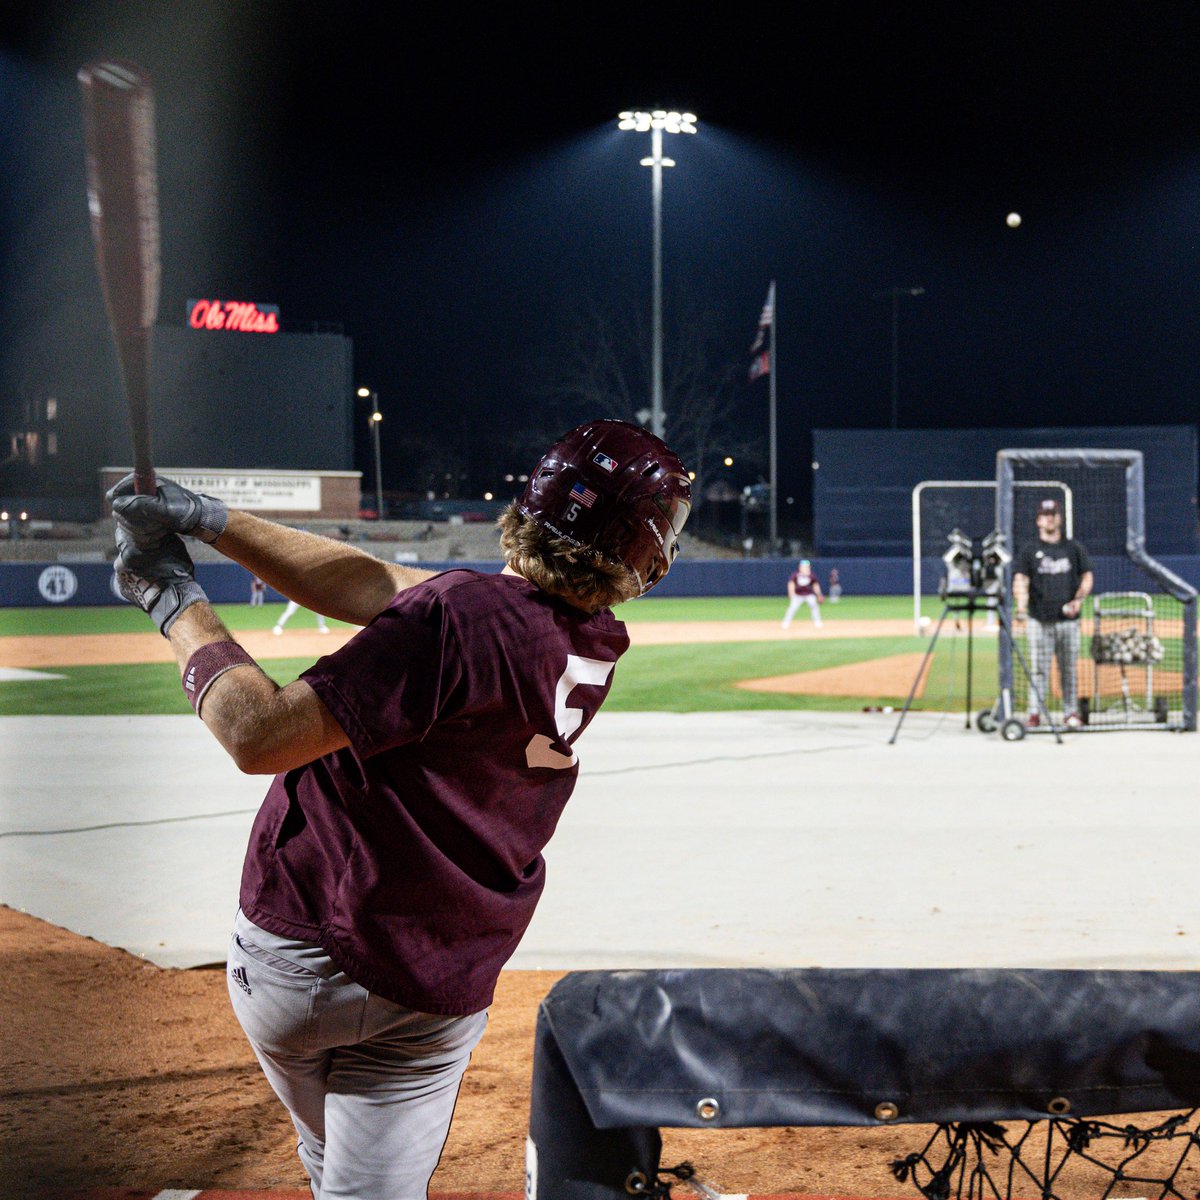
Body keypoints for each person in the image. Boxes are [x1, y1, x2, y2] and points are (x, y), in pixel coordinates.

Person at [106, 418, 691, 1200]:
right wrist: (210, 519)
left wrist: (171, 599)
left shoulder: (457, 616)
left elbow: (257, 734)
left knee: (327, 1154)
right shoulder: (591, 638)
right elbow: (389, 586)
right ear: (637, 550)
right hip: (435, 976)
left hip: (300, 952)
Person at [1012, 497, 1093, 729]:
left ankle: (1070, 712)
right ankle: (1034, 713)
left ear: (1060, 518)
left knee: (1068, 669)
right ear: (1038, 520)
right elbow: (1021, 579)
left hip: (1068, 620)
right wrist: (1021, 607)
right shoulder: (1030, 550)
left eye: (1053, 514)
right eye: (1045, 515)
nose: (1049, 518)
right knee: (1038, 669)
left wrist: (1078, 600)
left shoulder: (1073, 548)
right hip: (1039, 619)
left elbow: (1087, 576)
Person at [781, 558, 824, 628]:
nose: (805, 568)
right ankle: (786, 623)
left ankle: (817, 622)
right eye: (804, 566)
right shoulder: (796, 574)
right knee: (792, 608)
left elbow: (815, 585)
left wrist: (819, 594)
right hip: (798, 595)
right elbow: (791, 583)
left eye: (807, 566)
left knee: (814, 606)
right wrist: (791, 592)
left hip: (809, 594)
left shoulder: (811, 575)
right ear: (800, 567)